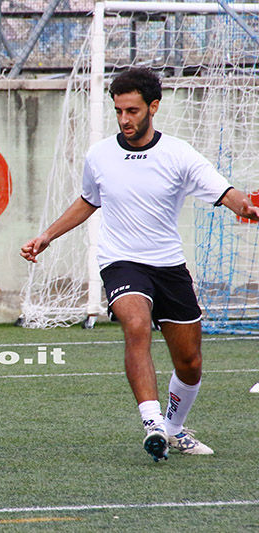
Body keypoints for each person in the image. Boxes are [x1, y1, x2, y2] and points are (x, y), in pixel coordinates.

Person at [21, 67, 259, 462]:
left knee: (190, 364)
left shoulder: (178, 154)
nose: (124, 120)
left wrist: (245, 206)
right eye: (118, 111)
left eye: (132, 111)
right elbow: (88, 200)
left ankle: (174, 428)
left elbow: (224, 191)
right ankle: (152, 425)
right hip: (120, 261)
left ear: (153, 107)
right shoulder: (99, 154)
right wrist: (47, 235)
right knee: (135, 323)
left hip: (168, 265)